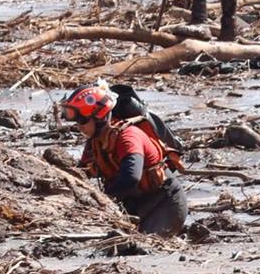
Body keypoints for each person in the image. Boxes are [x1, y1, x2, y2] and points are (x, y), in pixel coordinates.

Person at [61, 80, 187, 238]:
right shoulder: (95, 142)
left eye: (83, 121)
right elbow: (82, 173)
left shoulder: (128, 136)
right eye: (76, 122)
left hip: (164, 204)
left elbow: (131, 177)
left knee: (140, 247)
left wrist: (103, 200)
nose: (79, 127)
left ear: (99, 117)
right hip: (134, 205)